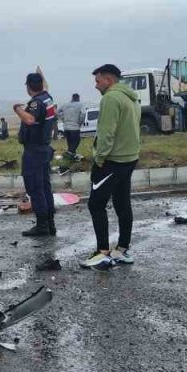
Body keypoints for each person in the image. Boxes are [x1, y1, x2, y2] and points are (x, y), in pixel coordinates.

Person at [81, 65, 142, 271]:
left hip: (112, 161)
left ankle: (102, 253)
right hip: (129, 158)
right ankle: (122, 250)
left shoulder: (110, 98)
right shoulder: (132, 98)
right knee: (122, 203)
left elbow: (107, 133)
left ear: (108, 80)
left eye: (98, 81)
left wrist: (99, 158)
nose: (96, 85)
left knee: (96, 204)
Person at [14, 73, 56, 237]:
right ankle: (50, 224)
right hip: (44, 149)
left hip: (34, 151)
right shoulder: (48, 99)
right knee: (45, 188)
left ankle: (42, 226)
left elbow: (30, 120)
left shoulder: (36, 103)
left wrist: (17, 108)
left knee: (35, 189)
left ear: (28, 87)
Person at [61, 93, 85, 160]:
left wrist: (63, 119)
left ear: (72, 98)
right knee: (76, 141)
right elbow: (83, 113)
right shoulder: (80, 104)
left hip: (66, 128)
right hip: (75, 127)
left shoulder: (65, 105)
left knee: (70, 143)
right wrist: (80, 122)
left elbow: (57, 112)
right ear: (78, 98)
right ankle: (67, 154)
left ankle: (72, 158)